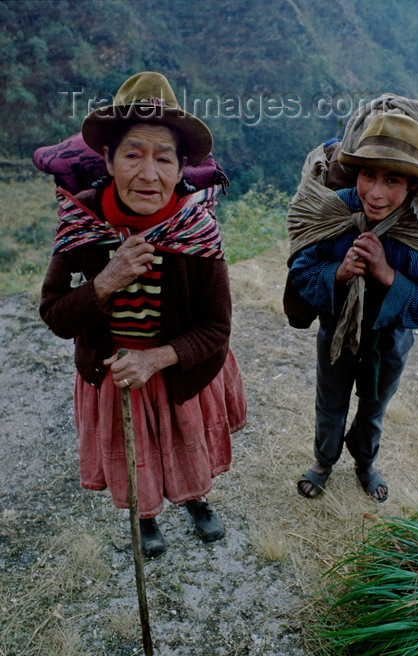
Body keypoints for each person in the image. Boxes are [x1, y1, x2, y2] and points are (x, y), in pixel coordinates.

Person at [39, 71, 247, 558]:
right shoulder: (82, 223)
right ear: (108, 159)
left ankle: (195, 500)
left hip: (179, 368)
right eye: (133, 154)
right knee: (138, 457)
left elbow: (216, 328)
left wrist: (156, 358)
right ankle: (146, 513)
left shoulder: (195, 229)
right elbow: (54, 314)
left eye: (164, 157)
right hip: (114, 376)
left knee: (187, 443)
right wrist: (106, 281)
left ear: (181, 168)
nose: (148, 173)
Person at [284, 96, 418, 502]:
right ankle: (323, 460)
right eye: (368, 174)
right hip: (336, 333)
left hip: (389, 341)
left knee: (373, 406)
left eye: (393, 181)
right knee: (330, 401)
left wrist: (386, 274)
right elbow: (301, 271)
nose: (377, 193)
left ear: (414, 184)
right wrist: (339, 272)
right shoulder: (338, 211)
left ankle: (365, 463)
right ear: (354, 173)